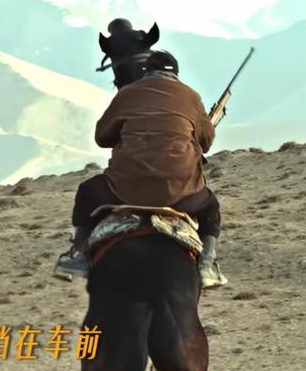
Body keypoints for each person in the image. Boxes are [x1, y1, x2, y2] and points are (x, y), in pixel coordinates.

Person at [56, 50, 227, 289]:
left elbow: (102, 137)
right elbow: (206, 143)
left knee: (86, 191)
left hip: (124, 189)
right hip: (180, 193)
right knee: (211, 207)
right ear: (177, 75)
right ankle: (206, 266)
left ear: (145, 73)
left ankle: (80, 257)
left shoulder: (127, 93)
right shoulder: (191, 96)